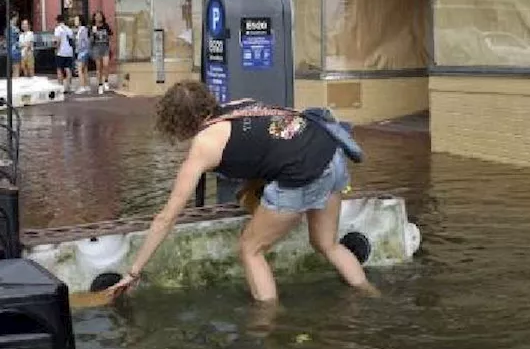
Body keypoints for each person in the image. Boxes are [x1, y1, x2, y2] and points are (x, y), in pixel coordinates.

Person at [106, 80, 377, 303]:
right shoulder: (239, 106)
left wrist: (134, 271)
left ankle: (268, 325)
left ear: (176, 122)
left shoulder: (204, 145)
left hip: (304, 173)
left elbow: (166, 218)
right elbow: (269, 146)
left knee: (250, 248)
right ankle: (371, 296)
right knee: (326, 244)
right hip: (330, 151)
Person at [90, 11, 112, 94]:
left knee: (106, 65)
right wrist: (93, 33)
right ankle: (100, 84)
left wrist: (110, 47)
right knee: (98, 67)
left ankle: (106, 81)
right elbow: (91, 40)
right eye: (97, 16)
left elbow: (109, 37)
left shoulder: (105, 26)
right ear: (94, 18)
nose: (98, 18)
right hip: (96, 47)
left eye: (100, 16)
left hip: (105, 47)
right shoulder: (93, 27)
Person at [53, 13, 75, 93]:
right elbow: (72, 39)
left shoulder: (58, 29)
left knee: (59, 69)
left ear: (57, 21)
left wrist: (56, 49)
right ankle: (68, 87)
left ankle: (61, 87)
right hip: (69, 52)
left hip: (61, 52)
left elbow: (58, 40)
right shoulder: (68, 29)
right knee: (68, 69)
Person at [72, 15, 91, 93]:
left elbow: (86, 41)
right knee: (85, 69)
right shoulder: (81, 29)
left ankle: (82, 86)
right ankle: (86, 86)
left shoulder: (82, 30)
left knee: (80, 69)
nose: (74, 21)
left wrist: (81, 49)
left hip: (82, 52)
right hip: (83, 52)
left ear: (80, 21)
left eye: (76, 20)